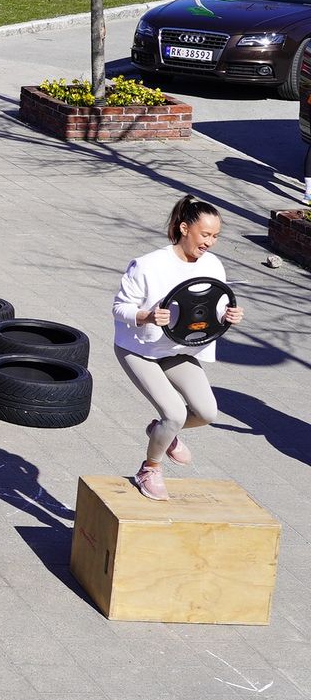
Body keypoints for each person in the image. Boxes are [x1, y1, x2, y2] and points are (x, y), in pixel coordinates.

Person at [114, 194, 246, 501]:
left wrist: (230, 315)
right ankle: (150, 469)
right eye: (205, 235)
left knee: (207, 412)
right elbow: (120, 307)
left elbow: (214, 306)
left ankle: (162, 432)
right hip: (139, 349)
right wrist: (144, 315)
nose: (210, 242)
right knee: (173, 413)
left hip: (179, 349)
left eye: (216, 236)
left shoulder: (213, 264)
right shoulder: (148, 265)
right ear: (184, 228)